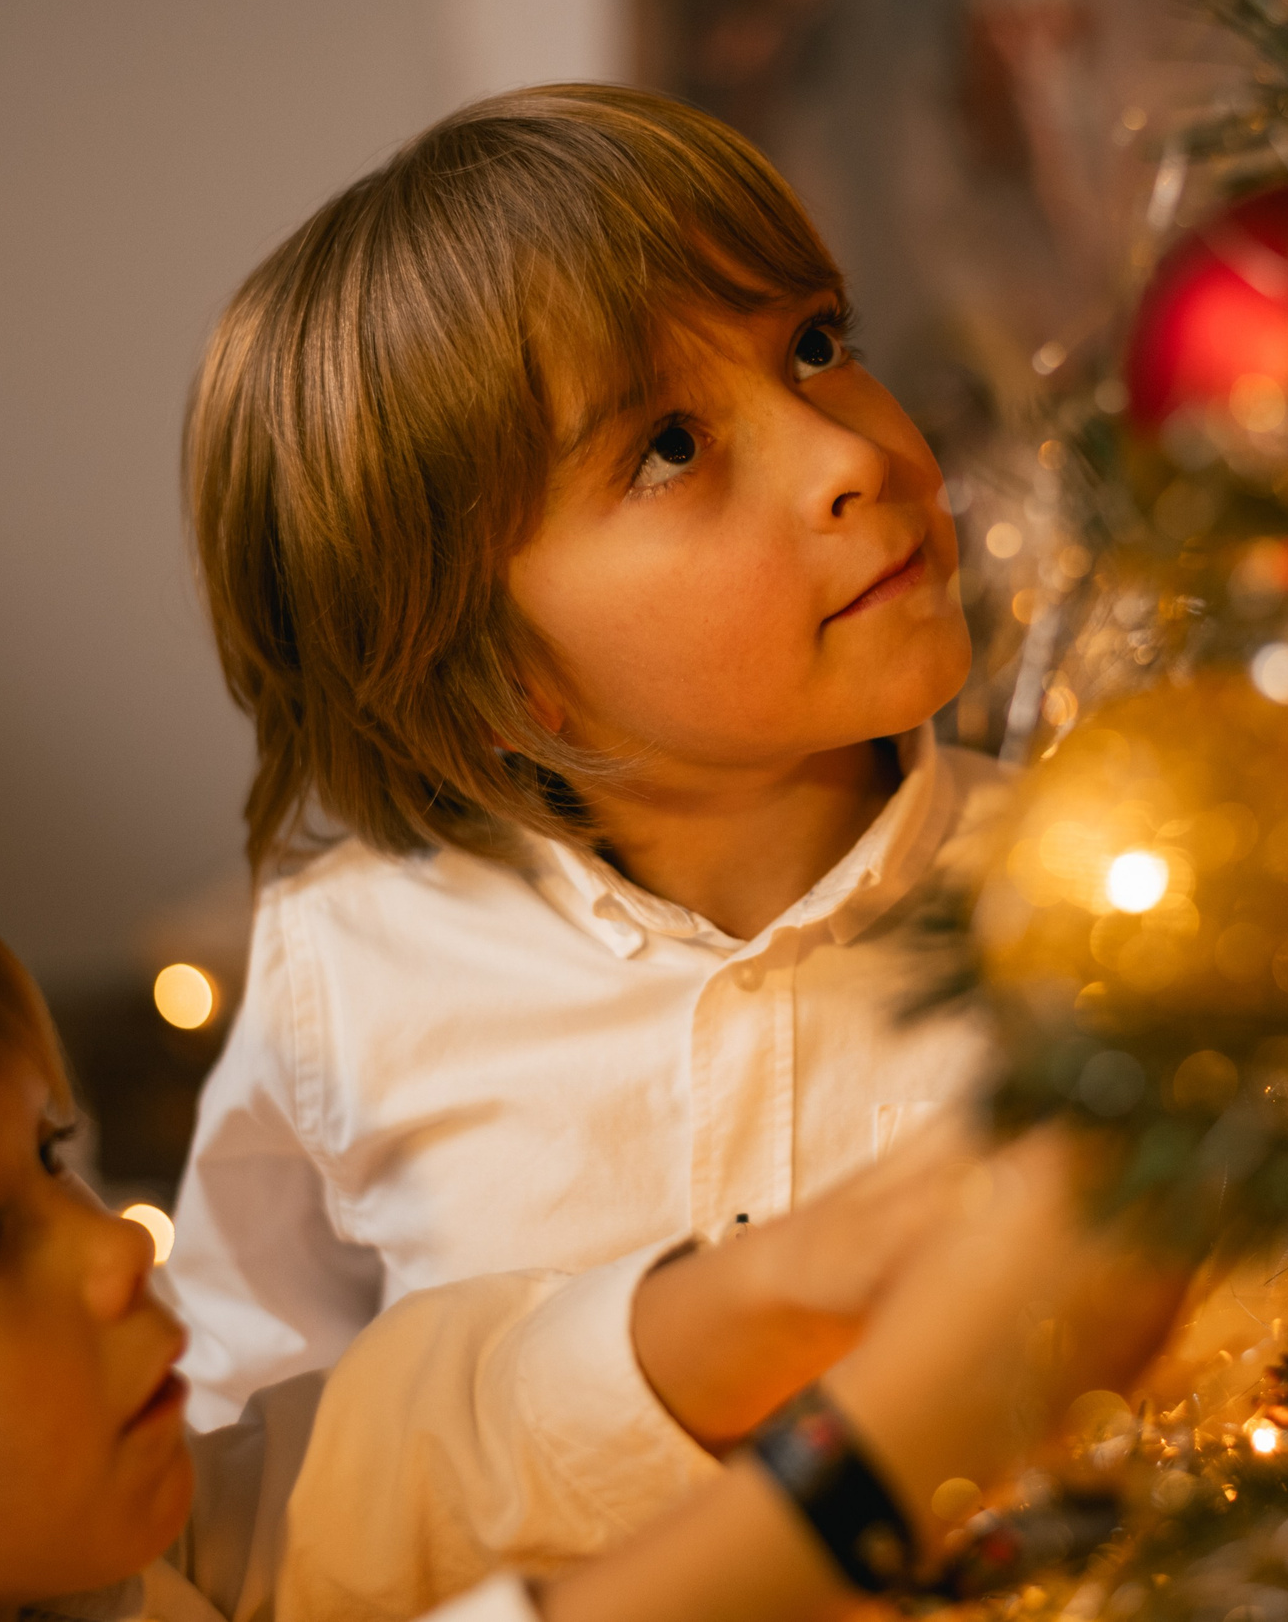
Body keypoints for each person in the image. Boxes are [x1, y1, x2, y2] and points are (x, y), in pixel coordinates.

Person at [0, 859, 1182, 1622]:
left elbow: (380, 1464)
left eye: (54, 1159)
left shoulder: (59, 1562)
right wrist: (900, 1439)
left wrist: (762, 1292)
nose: (112, 1249)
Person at [173, 86, 1003, 1486]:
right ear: (493, 678)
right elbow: (253, 1464)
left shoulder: (1101, 899)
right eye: (669, 449)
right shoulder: (353, 974)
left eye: (815, 345)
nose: (852, 456)